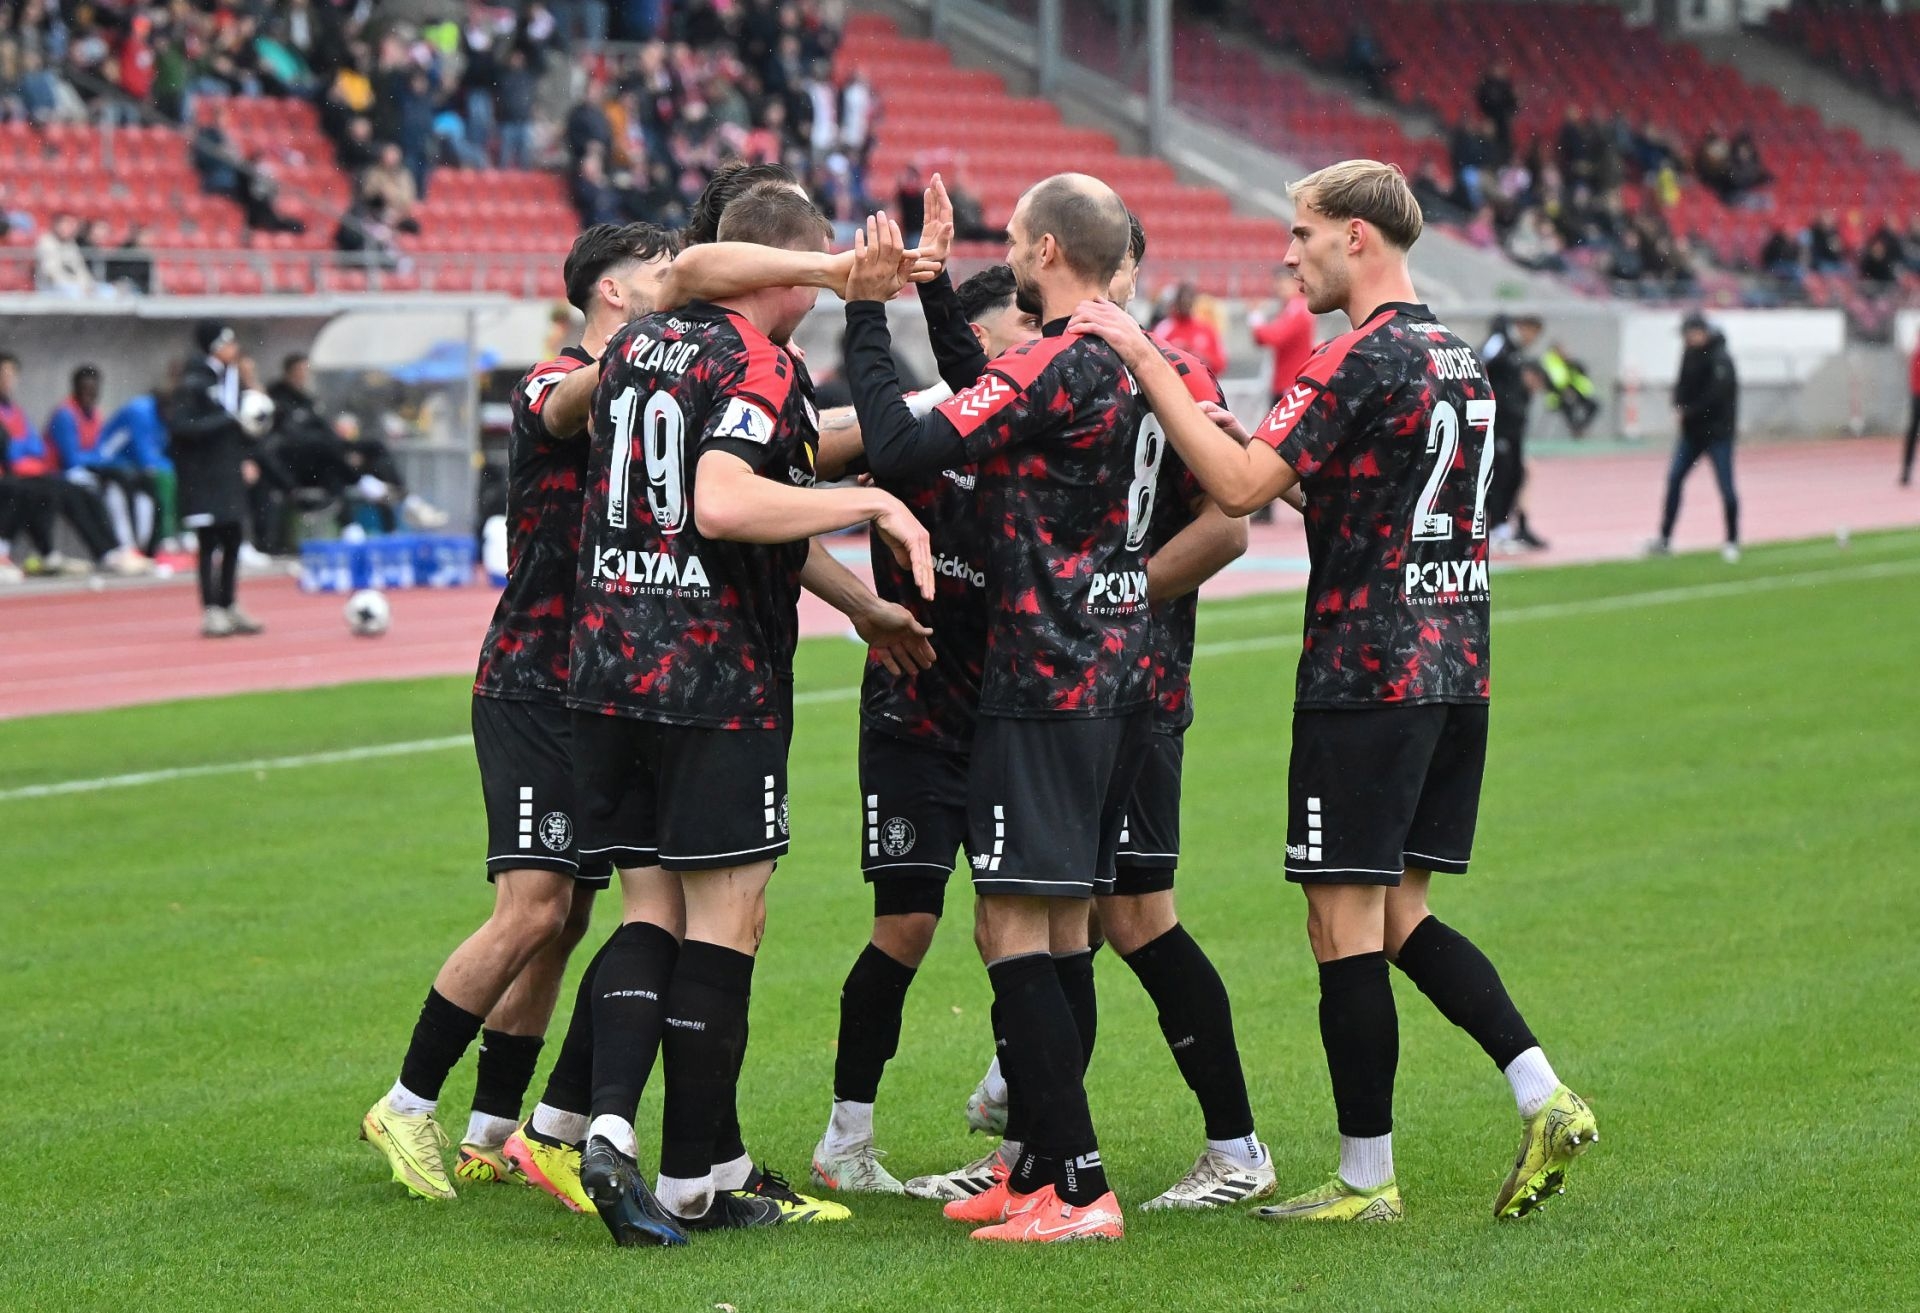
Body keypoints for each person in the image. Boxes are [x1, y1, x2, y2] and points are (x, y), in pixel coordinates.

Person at [1071, 158, 1597, 1223]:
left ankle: (1366, 1179)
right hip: (1456, 666)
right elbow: (1364, 491)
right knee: (1401, 913)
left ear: (1357, 236)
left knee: (1340, 923)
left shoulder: (1355, 354)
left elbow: (1236, 494)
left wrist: (1143, 355)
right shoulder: (1456, 357)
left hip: (1368, 673)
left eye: (1303, 234)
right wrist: (1256, 445)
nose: (1288, 256)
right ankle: (1542, 1091)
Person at [566, 184, 933, 1245]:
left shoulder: (637, 344)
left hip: (607, 667)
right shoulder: (761, 364)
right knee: (728, 921)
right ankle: (691, 1177)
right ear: (785, 269)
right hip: (710, 677)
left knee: (649, 912)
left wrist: (859, 602)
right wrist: (872, 498)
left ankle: (608, 1127)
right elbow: (726, 504)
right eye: (812, 272)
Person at [841, 173, 1157, 1242]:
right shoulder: (1110, 355)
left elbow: (904, 447)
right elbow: (992, 395)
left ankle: (1079, 1187)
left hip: (1045, 682)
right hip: (1113, 676)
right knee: (1058, 930)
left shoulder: (1061, 358)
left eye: (1018, 240)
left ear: (1050, 251)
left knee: (1012, 925)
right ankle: (1038, 1169)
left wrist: (865, 311)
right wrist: (932, 291)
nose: (1009, 254)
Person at [0, 353, 139, 575]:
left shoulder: (15, 410)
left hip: (30, 472)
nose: (8, 381)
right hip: (19, 473)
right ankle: (14, 553)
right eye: (3, 375)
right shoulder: (65, 414)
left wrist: (19, 447)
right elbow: (10, 450)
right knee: (33, 491)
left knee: (75, 491)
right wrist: (19, 447)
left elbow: (36, 446)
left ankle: (109, 551)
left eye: (11, 375)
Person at [169, 321, 265, 636]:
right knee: (208, 541)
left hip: (227, 469)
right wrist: (225, 419)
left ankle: (229, 603)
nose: (234, 348)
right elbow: (182, 427)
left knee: (233, 537)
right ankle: (211, 609)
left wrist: (247, 456)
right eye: (228, 342)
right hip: (202, 473)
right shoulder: (193, 381)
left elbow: (245, 424)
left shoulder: (233, 379)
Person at [48, 364, 161, 562]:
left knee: (137, 483)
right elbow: (71, 458)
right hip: (65, 472)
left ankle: (144, 547)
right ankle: (122, 547)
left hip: (89, 469)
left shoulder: (96, 414)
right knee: (110, 489)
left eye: (93, 391)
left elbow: (101, 450)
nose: (89, 395)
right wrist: (98, 459)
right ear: (75, 389)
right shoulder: (65, 414)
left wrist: (99, 459)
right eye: (84, 390)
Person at [1651, 312, 1740, 562]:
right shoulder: (1688, 354)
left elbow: (1717, 396)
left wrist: (1689, 411)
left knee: (1726, 487)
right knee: (1674, 479)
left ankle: (1732, 540)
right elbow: (1682, 385)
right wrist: (1677, 404)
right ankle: (1665, 538)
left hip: (1717, 434)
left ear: (1701, 332)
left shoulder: (1721, 358)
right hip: (1692, 434)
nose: (1686, 339)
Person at [1248, 266, 1316, 524]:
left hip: (1290, 389)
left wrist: (1255, 317)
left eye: (1282, 283)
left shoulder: (1298, 308)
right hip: (1285, 387)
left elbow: (1271, 337)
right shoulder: (1291, 309)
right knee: (1279, 448)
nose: (1278, 289)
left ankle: (1275, 504)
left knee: (1276, 447)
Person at [1481, 316, 1547, 551]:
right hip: (1499, 424)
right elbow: (1482, 365)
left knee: (1514, 475)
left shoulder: (1515, 351)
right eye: (1533, 333)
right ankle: (1493, 528)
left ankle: (1502, 526)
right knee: (1500, 475)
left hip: (1512, 425)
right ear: (1523, 327)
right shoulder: (1500, 342)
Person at [1152, 281, 1226, 377]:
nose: (1185, 303)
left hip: (1202, 383)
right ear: (1176, 302)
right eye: (1182, 299)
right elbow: (1152, 358)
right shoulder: (1164, 327)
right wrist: (1175, 353)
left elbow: (1221, 364)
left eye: (1188, 299)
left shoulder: (1207, 329)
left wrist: (1199, 357)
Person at [1903, 331, 1920, 488]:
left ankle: (1906, 471)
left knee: (1912, 434)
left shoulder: (1915, 352)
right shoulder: (1916, 353)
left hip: (1916, 396)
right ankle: (1906, 471)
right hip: (1917, 396)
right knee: (1912, 434)